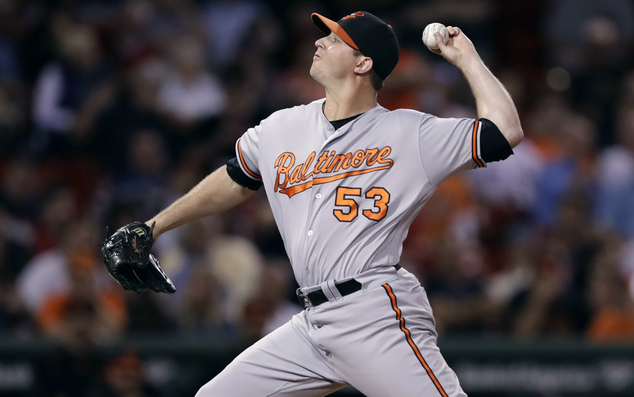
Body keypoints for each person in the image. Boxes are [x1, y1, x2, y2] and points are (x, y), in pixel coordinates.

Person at [118, 11, 523, 396]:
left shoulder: (410, 132)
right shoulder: (281, 127)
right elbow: (235, 179)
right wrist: (154, 227)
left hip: (373, 315)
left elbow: (504, 131)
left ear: (362, 64)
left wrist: (466, 56)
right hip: (311, 322)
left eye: (333, 39)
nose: (319, 41)